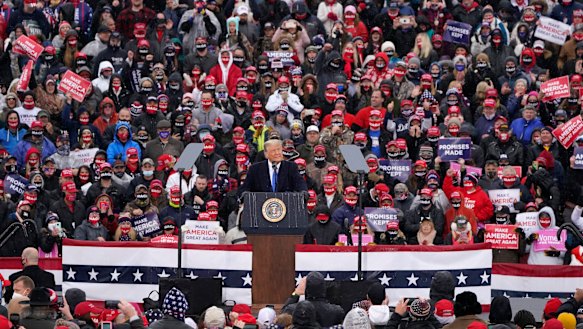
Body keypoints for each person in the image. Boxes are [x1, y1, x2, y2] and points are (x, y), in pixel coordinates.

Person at [238, 139, 307, 195]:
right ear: (266, 154)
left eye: (279, 150)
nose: (277, 153)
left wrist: (303, 191)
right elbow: (245, 188)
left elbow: (300, 183)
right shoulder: (255, 169)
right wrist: (244, 193)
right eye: (273, 151)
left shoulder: (291, 167)